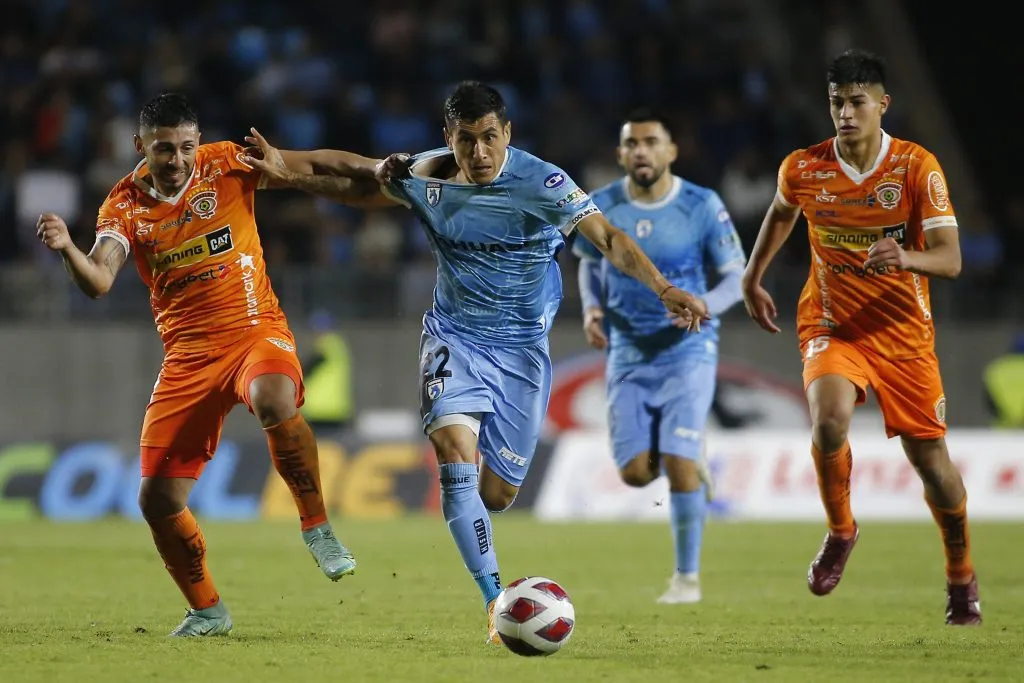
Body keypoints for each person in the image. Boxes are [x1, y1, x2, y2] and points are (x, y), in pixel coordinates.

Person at [241, 81, 710, 643]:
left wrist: (662, 289)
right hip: (454, 339)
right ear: (449, 138)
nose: (481, 152)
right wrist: (284, 166)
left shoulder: (543, 182)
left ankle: (493, 564)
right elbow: (357, 174)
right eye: (468, 140)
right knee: (453, 451)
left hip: (522, 353)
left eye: (491, 137)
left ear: (507, 133)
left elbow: (608, 238)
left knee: (497, 495)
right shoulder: (429, 173)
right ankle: (495, 602)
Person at [35, 93, 355, 638]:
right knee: (156, 499)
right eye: (165, 149)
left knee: (273, 398)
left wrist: (374, 170)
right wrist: (68, 248)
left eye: (187, 146)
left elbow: (316, 165)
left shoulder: (227, 162)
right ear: (141, 146)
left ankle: (317, 528)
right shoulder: (123, 207)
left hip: (254, 329)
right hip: (187, 358)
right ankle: (208, 610)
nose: (179, 159)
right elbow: (100, 281)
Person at [741, 49, 979, 625]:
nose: (845, 113)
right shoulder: (803, 167)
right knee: (827, 419)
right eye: (836, 103)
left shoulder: (917, 168)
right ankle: (841, 530)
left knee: (933, 465)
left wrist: (907, 255)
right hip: (831, 322)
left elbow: (950, 260)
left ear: (882, 104)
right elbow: (781, 213)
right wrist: (753, 276)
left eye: (857, 102)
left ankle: (960, 576)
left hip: (902, 334)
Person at [574, 108, 746, 604]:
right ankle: (688, 460)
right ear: (621, 155)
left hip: (688, 347)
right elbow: (589, 263)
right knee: (633, 473)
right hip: (628, 351)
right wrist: (591, 310)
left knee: (678, 460)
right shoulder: (601, 205)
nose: (641, 151)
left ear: (671, 151)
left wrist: (704, 306)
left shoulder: (700, 204)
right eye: (632, 144)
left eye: (651, 142)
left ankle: (686, 579)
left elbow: (736, 277)